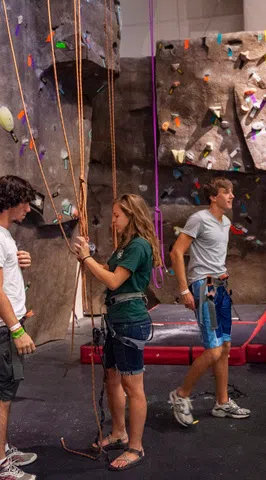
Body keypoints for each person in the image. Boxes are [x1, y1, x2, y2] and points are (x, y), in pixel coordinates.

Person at [73, 194, 162, 472]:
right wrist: (86, 257)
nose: (112, 220)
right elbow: (106, 271)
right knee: (111, 378)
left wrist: (87, 258)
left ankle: (135, 447)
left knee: (133, 386)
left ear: (131, 216)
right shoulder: (125, 247)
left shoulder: (138, 245)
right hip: (117, 319)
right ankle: (119, 432)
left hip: (129, 321)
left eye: (116, 216)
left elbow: (113, 280)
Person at [168, 177, 251, 427]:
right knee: (213, 349)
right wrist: (184, 290)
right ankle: (180, 395)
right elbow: (176, 252)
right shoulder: (199, 219)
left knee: (224, 349)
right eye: (226, 192)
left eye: (232, 192)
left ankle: (222, 402)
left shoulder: (225, 222)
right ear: (214, 197)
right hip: (205, 288)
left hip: (221, 286)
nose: (231, 196)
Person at [0, 175, 38, 480]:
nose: (28, 208)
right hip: (1, 330)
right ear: (10, 201)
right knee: (0, 398)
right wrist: (16, 329)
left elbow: (3, 279)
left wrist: (17, 259)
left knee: (7, 393)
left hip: (7, 326)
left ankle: (3, 450)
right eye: (24, 202)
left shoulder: (3, 237)